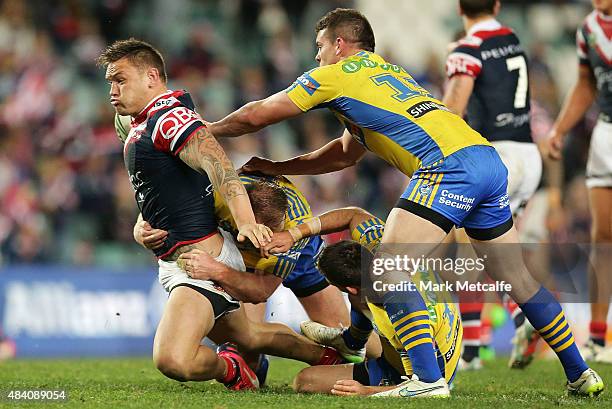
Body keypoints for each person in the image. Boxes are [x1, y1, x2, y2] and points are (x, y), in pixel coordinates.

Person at [206, 8, 603, 397]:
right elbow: (343, 155)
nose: (316, 56)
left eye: (320, 46)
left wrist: (208, 131)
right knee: (518, 278)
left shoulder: (334, 76)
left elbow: (259, 115)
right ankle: (579, 373)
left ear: (340, 45)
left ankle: (427, 381)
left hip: (447, 168)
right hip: (484, 159)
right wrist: (279, 165)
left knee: (384, 269)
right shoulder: (388, 73)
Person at [98, 38, 341, 391]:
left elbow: (221, 168)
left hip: (202, 263)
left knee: (174, 360)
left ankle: (232, 370)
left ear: (152, 76)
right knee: (253, 336)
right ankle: (325, 358)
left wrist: (246, 223)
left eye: (120, 80)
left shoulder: (171, 119)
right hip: (177, 259)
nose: (112, 90)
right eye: (109, 82)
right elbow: (153, 185)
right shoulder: (135, 121)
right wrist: (141, 225)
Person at [264, 206, 462, 396]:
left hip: (431, 372)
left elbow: (431, 388)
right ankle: (351, 341)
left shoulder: (403, 308)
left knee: (307, 382)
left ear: (348, 288)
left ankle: (354, 345)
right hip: (425, 342)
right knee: (306, 378)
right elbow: (353, 215)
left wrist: (366, 392)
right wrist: (295, 234)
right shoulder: (379, 245)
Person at [442, 0, 542, 369]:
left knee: (464, 250)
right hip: (529, 156)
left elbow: (452, 112)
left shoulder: (466, 49)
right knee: (494, 254)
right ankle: (519, 317)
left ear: (458, 8)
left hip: (496, 157)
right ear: (497, 4)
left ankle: (473, 347)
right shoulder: (513, 38)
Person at [547, 0, 612, 364]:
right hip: (605, 135)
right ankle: (599, 338)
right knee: (602, 239)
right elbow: (586, 86)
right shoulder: (588, 28)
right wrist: (559, 128)